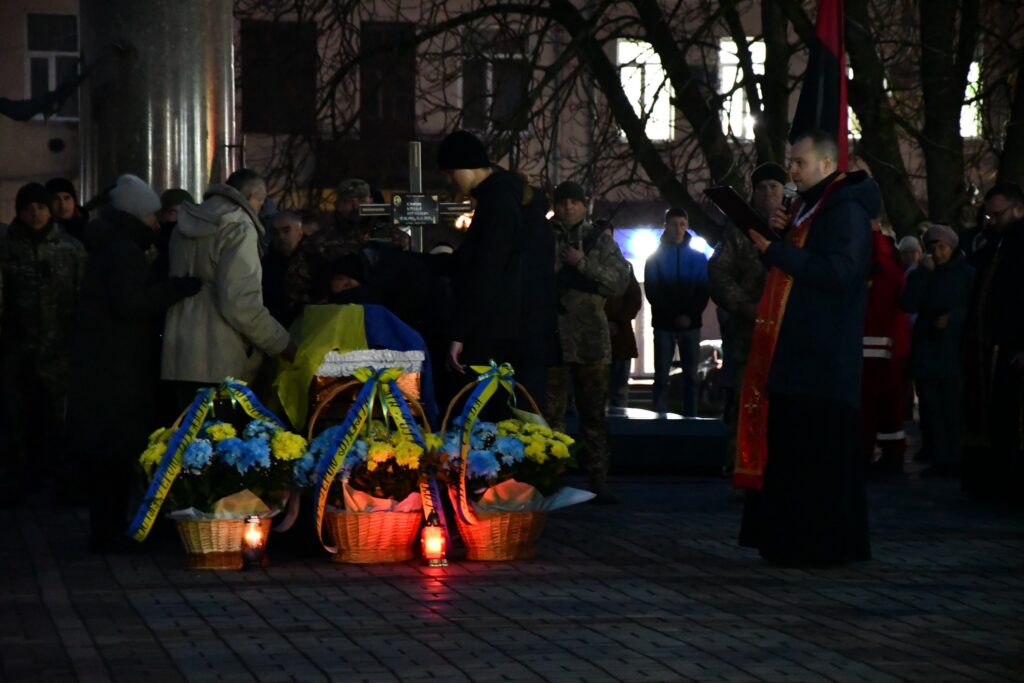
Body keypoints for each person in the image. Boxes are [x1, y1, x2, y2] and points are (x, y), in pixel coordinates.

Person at [737, 131, 875, 565]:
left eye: (798, 162)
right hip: (796, 355)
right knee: (792, 455)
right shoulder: (807, 208)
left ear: (826, 164)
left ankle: (818, 546)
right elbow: (790, 272)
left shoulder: (845, 210)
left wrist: (778, 250)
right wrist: (774, 244)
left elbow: (839, 274)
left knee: (818, 458)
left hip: (823, 360)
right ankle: (786, 540)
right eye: (790, 162)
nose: (791, 170)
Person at [66, 174, 202, 551]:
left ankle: (106, 528)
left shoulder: (107, 244)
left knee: (107, 454)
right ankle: (109, 533)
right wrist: (175, 290)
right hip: (118, 368)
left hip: (105, 365)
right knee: (115, 452)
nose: (157, 222)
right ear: (136, 215)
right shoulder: (124, 251)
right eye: (152, 215)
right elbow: (130, 303)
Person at [161, 169, 296, 406]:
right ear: (253, 197)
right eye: (261, 204)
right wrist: (281, 343)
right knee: (223, 439)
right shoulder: (239, 226)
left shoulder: (186, 221)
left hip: (178, 355)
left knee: (186, 439)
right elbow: (240, 302)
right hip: (222, 359)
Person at [0, 182, 87, 502]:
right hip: (17, 348)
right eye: (28, 208)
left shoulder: (71, 249)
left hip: (59, 350)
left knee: (60, 420)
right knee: (19, 418)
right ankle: (22, 479)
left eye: (40, 207)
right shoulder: (8, 248)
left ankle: (63, 482)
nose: (35, 213)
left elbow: (82, 298)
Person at [545, 183, 630, 503]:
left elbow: (619, 281)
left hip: (591, 341)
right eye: (563, 202)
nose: (568, 208)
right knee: (551, 415)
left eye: (574, 202)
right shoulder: (544, 237)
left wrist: (581, 263)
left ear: (584, 205)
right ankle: (551, 476)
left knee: (594, 414)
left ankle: (599, 477)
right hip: (553, 337)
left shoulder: (600, 241)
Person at [709, 163, 777, 472]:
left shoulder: (794, 228)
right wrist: (746, 307)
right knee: (743, 399)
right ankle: (740, 465)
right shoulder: (739, 231)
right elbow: (718, 273)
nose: (768, 194)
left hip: (785, 332)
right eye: (762, 188)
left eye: (774, 187)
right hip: (747, 332)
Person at [962, 182, 1024, 500]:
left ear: (1018, 210)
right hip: (989, 346)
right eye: (989, 215)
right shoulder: (994, 244)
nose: (992, 220)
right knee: (992, 415)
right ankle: (994, 477)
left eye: (998, 214)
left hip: (1013, 348)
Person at [899, 224, 974, 478]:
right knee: (930, 406)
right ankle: (937, 453)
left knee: (951, 406)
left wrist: (952, 319)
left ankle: (954, 456)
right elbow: (908, 302)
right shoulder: (925, 272)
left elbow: (972, 307)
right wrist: (922, 274)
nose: (939, 253)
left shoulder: (966, 274)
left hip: (952, 348)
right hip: (927, 346)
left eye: (943, 247)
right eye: (933, 248)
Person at [644, 208, 709, 416]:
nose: (678, 229)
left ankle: (690, 418)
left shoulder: (698, 258)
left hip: (688, 323)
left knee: (691, 375)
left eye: (682, 224)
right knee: (662, 375)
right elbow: (653, 291)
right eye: (674, 224)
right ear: (666, 226)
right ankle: (660, 418)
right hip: (666, 323)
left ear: (687, 226)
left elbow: (703, 290)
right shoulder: (654, 258)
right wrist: (677, 316)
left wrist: (689, 315)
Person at [861, 223, 911, 476]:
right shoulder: (887, 262)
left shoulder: (875, 265)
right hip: (888, 344)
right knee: (889, 405)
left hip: (873, 345)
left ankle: (872, 452)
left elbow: (875, 309)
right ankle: (892, 453)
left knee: (870, 404)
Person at [601, 221, 642, 409]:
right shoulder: (583, 266)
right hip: (596, 338)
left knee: (619, 390)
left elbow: (634, 299)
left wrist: (618, 321)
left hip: (620, 336)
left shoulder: (625, 267)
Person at [263, 211, 305, 328]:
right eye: (275, 232)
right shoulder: (264, 266)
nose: (281, 237)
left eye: (286, 231)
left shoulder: (314, 260)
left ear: (299, 232)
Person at [154, 188, 196, 282]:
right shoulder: (153, 244)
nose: (180, 217)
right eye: (173, 213)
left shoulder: (196, 239)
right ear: (162, 214)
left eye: (185, 212)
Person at [45, 177, 89, 245]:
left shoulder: (91, 230)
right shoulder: (44, 233)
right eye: (56, 199)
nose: (63, 205)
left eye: (67, 198)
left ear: (74, 200)